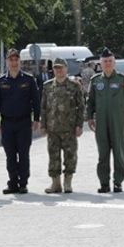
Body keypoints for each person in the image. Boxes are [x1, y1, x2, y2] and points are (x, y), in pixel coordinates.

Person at [85, 48, 124, 193]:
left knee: (118, 153)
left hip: (118, 121)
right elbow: (90, 101)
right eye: (105, 61)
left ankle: (118, 182)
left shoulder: (122, 79)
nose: (107, 63)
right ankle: (104, 183)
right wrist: (89, 117)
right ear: (100, 63)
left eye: (110, 61)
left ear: (114, 63)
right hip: (101, 123)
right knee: (103, 154)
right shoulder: (95, 81)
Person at [0, 48, 40, 194]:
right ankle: (12, 183)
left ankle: (23, 183)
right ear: (7, 62)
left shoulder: (29, 80)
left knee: (23, 154)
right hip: (7, 124)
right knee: (10, 155)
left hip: (24, 123)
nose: (13, 62)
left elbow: (36, 101)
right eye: (11, 60)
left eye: (16, 59)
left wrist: (36, 119)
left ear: (20, 61)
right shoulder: (1, 81)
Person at [41, 57, 84, 194]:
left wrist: (79, 125)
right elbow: (43, 107)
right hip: (52, 129)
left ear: (66, 69)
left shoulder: (74, 86)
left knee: (70, 156)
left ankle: (67, 182)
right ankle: (55, 184)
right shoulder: (47, 86)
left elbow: (81, 107)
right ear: (53, 70)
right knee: (53, 157)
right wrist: (43, 125)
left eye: (61, 67)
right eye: (56, 68)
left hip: (69, 128)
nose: (59, 70)